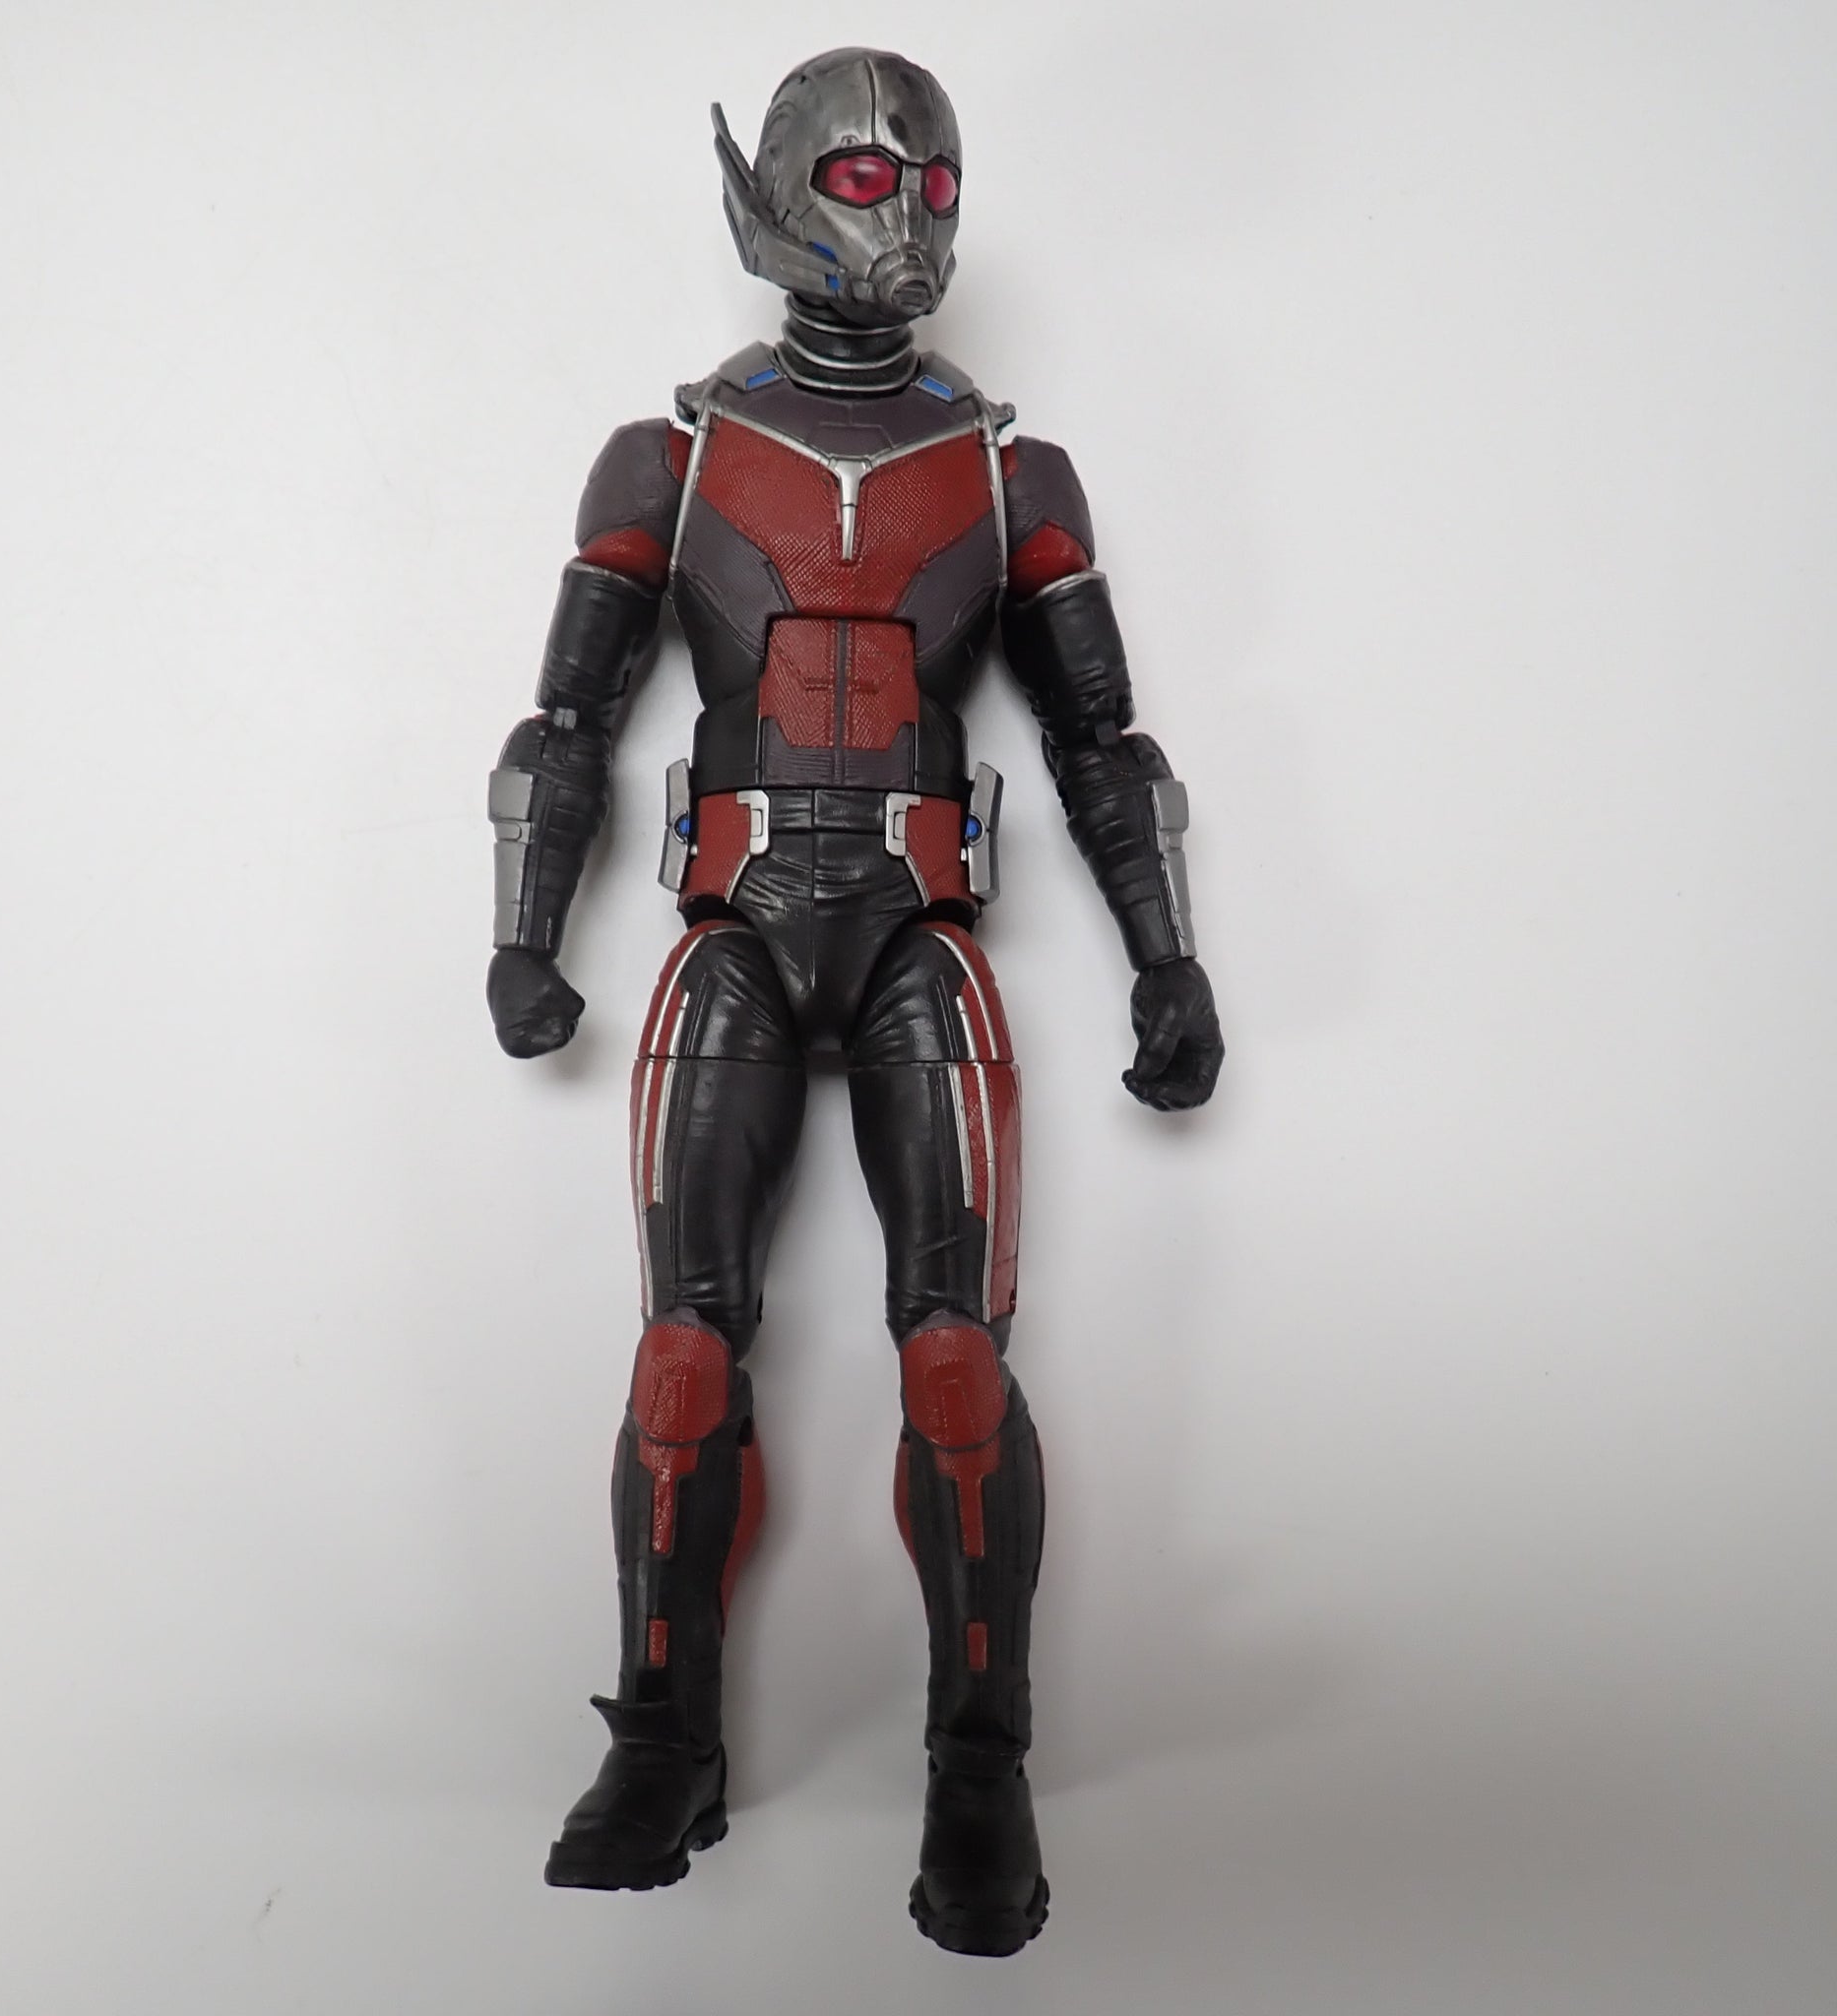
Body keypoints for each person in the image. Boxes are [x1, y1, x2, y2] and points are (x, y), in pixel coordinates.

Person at [485, 46, 1223, 1957]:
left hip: (918, 932)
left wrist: (1166, 956)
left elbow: (1102, 741)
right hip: (732, 923)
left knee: (956, 1361)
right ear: (787, 188)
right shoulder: (668, 458)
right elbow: (565, 722)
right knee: (681, 1357)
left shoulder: (1007, 471)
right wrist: (525, 931)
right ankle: (663, 1740)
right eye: (876, 180)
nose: (913, 217)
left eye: (936, 182)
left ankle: (979, 1766)